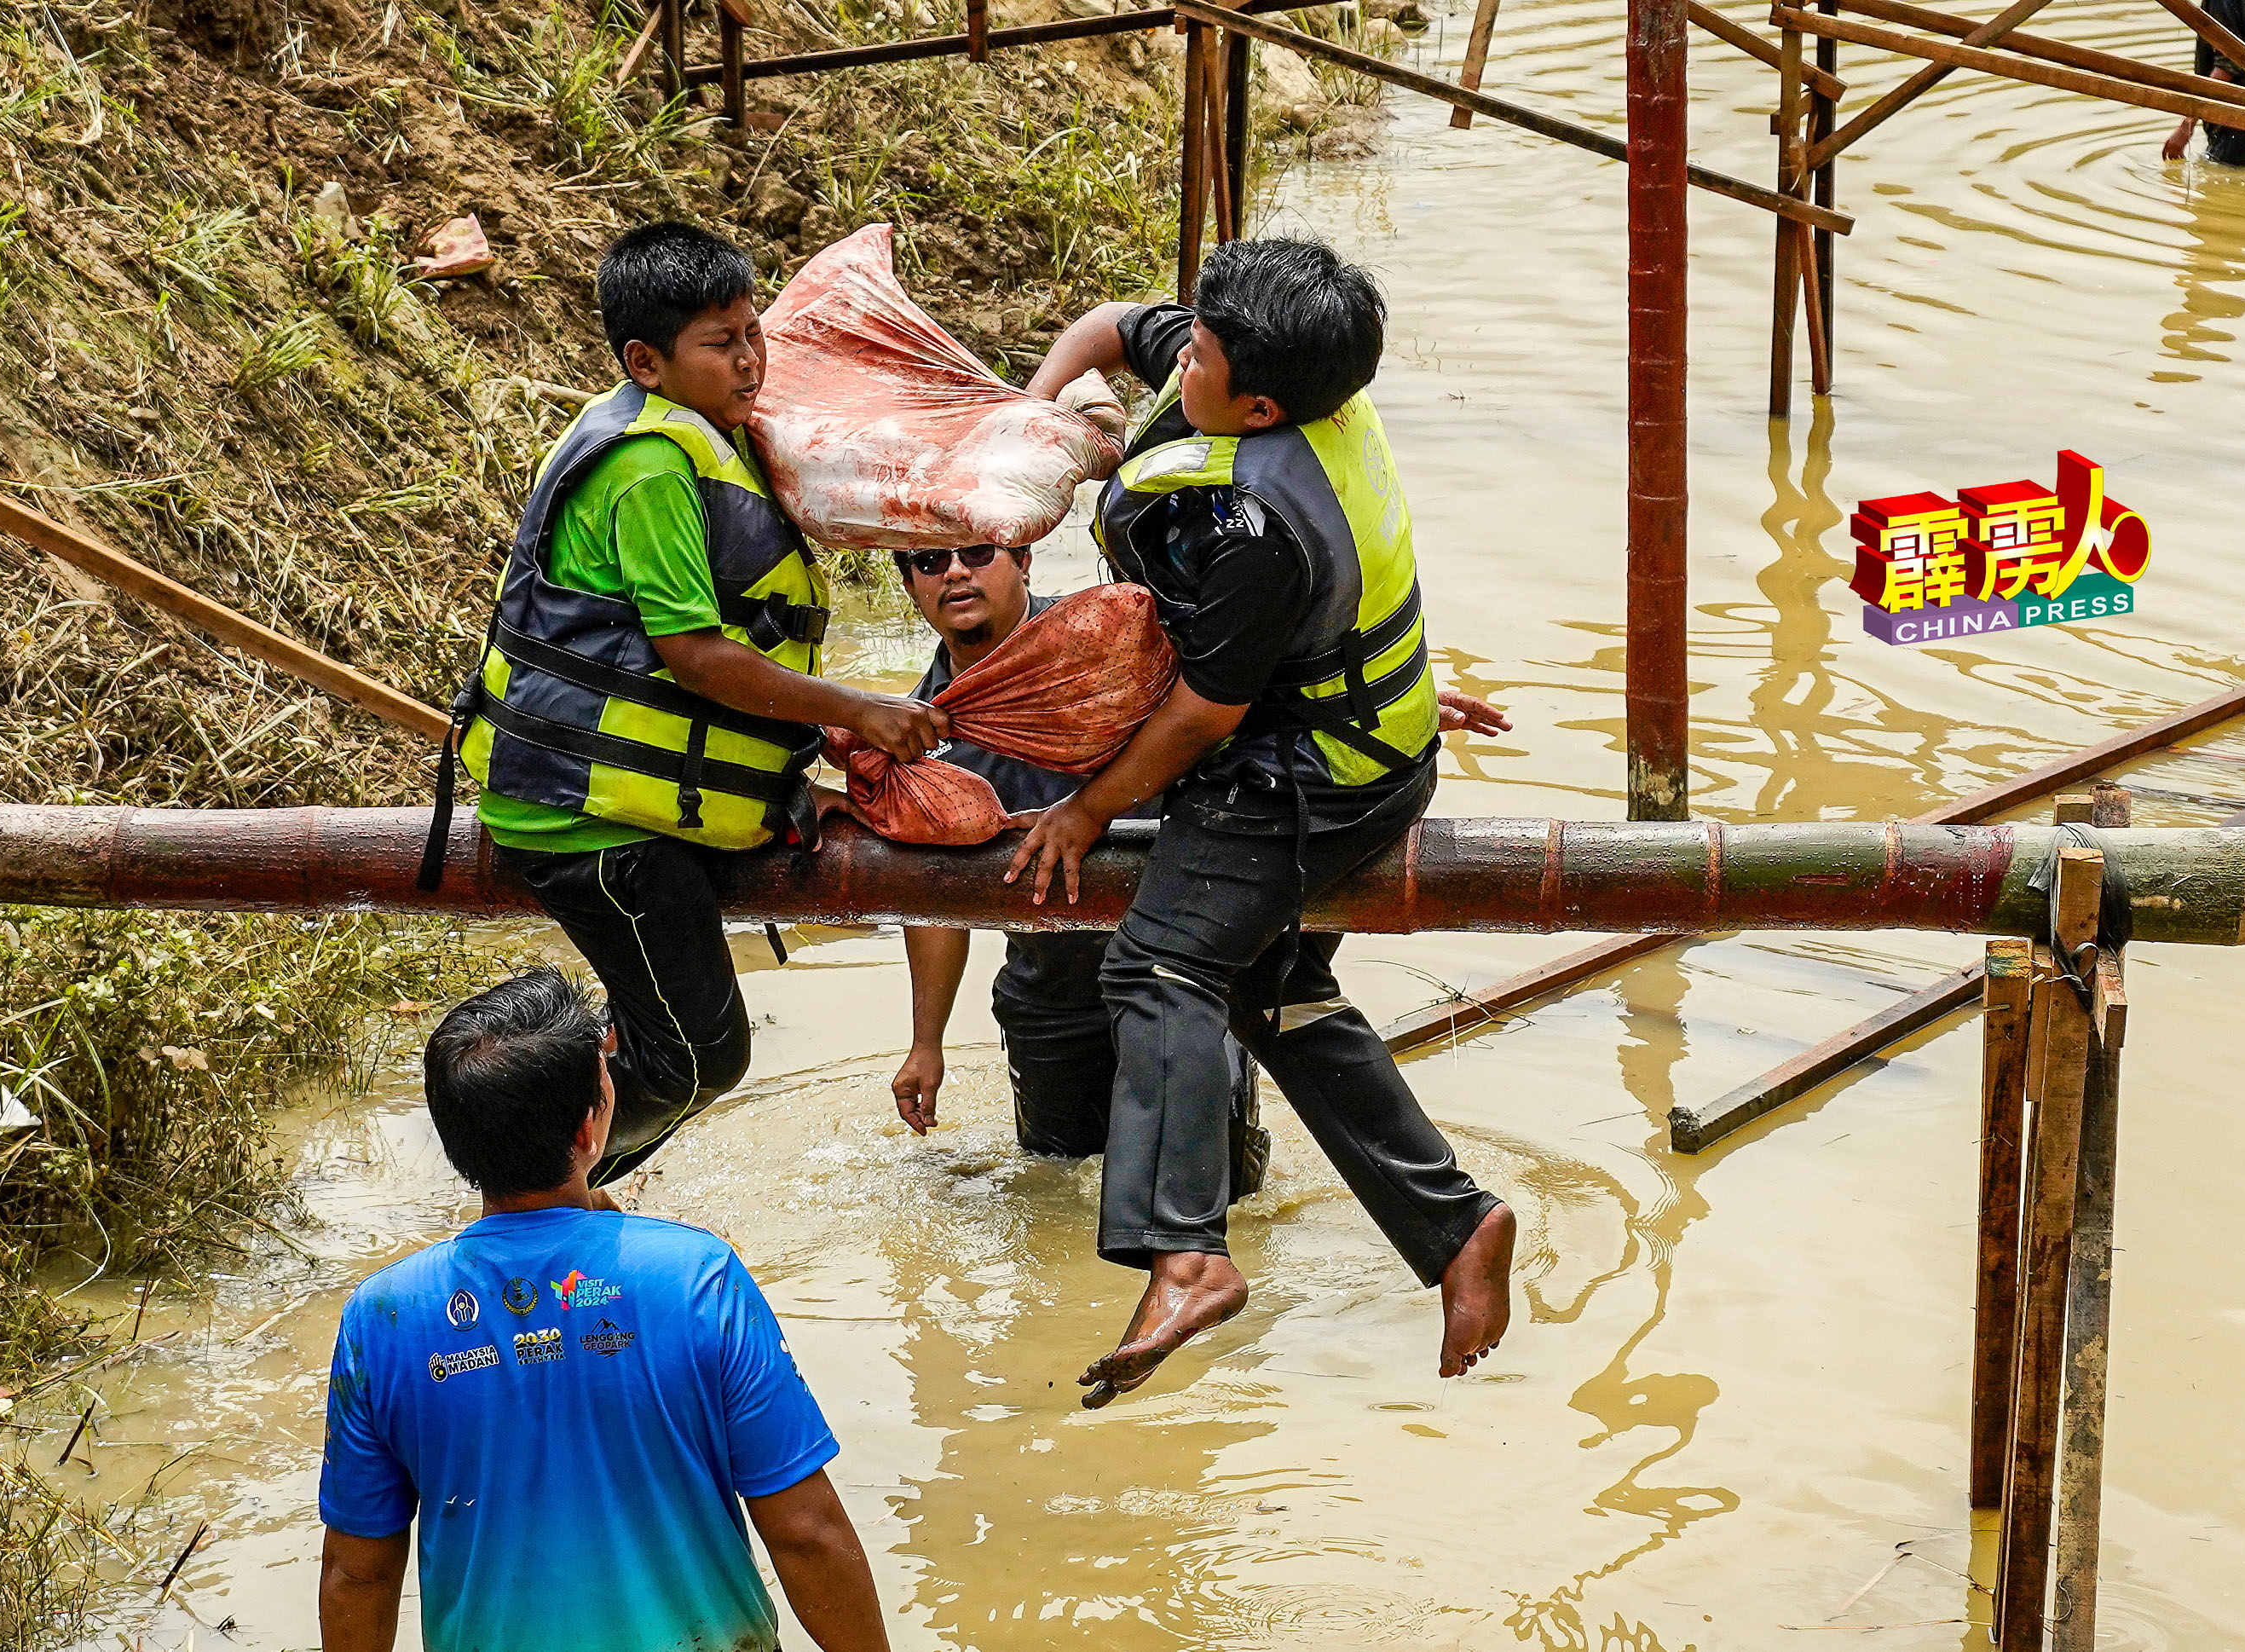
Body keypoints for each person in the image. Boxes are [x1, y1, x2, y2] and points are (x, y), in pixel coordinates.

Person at [1012, 238, 1519, 1408]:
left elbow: (1203, 711)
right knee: (1272, 985)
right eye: (1189, 338)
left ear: (1263, 401)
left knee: (1159, 965)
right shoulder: (1256, 367)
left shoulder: (1256, 528)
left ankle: (1186, 1255)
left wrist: (1089, 808)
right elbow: (1103, 324)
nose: (1178, 359)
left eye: (1199, 359)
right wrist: (1026, 422)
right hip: (1376, 733)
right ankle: (1456, 1225)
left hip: (1313, 781)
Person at [421, 222, 945, 1188]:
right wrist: (858, 710)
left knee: (681, 1054)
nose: (750, 361)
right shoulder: (652, 468)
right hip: (588, 822)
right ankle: (515, 1177)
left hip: (627, 807)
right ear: (645, 361)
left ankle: (551, 1190)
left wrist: (787, 787)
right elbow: (695, 658)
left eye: (755, 333)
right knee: (701, 1060)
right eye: (721, 344)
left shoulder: (696, 438)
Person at [315, 969, 889, 1652]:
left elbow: (358, 1574)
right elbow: (807, 1534)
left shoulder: (382, 1319)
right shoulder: (696, 1278)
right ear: (590, 1127)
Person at [884, 540, 1267, 1182]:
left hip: (1182, 975)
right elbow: (935, 898)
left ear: (1025, 562)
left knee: (1224, 1198)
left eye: (978, 553)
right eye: (929, 562)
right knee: (1057, 1199)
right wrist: (927, 1043)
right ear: (910, 587)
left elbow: (1224, 699)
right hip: (1049, 999)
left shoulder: (1112, 645)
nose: (954, 572)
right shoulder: (920, 734)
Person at [2162, 0, 2245, 166]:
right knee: (2232, 172)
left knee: (2224, 181)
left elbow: (2228, 66)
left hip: (2240, 114)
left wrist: (2186, 126)